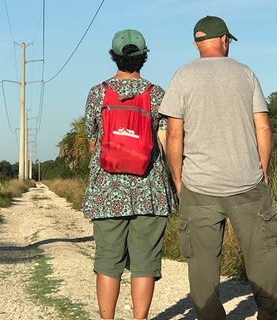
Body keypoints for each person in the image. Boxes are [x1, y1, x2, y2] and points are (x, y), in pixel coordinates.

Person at [159, 16, 277, 320]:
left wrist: (178, 179)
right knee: (263, 257)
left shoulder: (182, 76)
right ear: (224, 40)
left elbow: (174, 134)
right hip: (248, 183)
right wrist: (263, 170)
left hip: (199, 187)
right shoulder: (245, 73)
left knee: (202, 264)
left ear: (196, 43)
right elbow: (264, 128)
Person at [81, 29, 176, 320]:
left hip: (108, 191)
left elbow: (92, 143)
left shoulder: (98, 93)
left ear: (114, 56)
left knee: (108, 260)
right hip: (150, 190)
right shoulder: (157, 94)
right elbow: (165, 140)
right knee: (145, 261)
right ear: (143, 57)